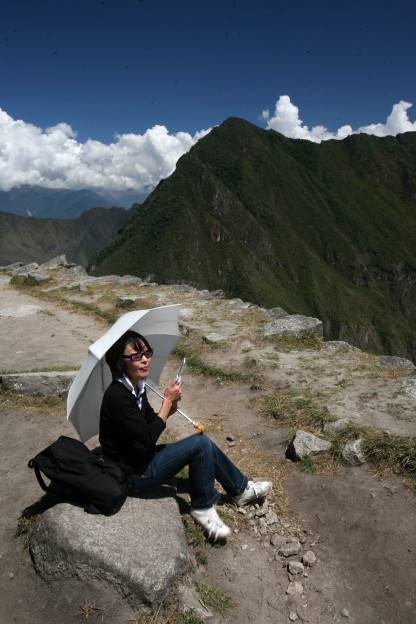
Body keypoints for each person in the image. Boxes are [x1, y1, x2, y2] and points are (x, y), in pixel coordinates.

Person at [99, 330, 272, 541]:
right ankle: (203, 507)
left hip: (143, 457)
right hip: (134, 474)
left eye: (147, 352)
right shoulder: (117, 396)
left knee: (203, 443)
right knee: (200, 444)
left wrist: (170, 408)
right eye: (136, 355)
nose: (145, 360)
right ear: (121, 361)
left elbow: (149, 420)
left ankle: (240, 489)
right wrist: (166, 402)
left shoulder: (136, 387)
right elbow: (148, 435)